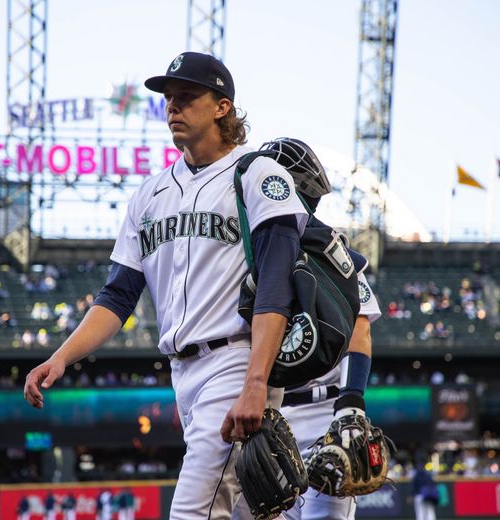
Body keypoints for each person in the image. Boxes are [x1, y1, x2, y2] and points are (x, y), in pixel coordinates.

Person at [24, 51, 308, 519]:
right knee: (241, 512)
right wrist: (60, 357)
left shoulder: (257, 174)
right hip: (184, 374)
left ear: (222, 106)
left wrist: (256, 380)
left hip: (237, 357)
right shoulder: (149, 194)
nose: (172, 107)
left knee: (193, 510)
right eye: (168, 99)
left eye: (186, 97)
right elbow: (117, 297)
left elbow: (277, 283)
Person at [231, 138, 381, 520]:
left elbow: (359, 331)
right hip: (266, 416)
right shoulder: (241, 256)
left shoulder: (331, 250)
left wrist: (352, 404)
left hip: (324, 414)